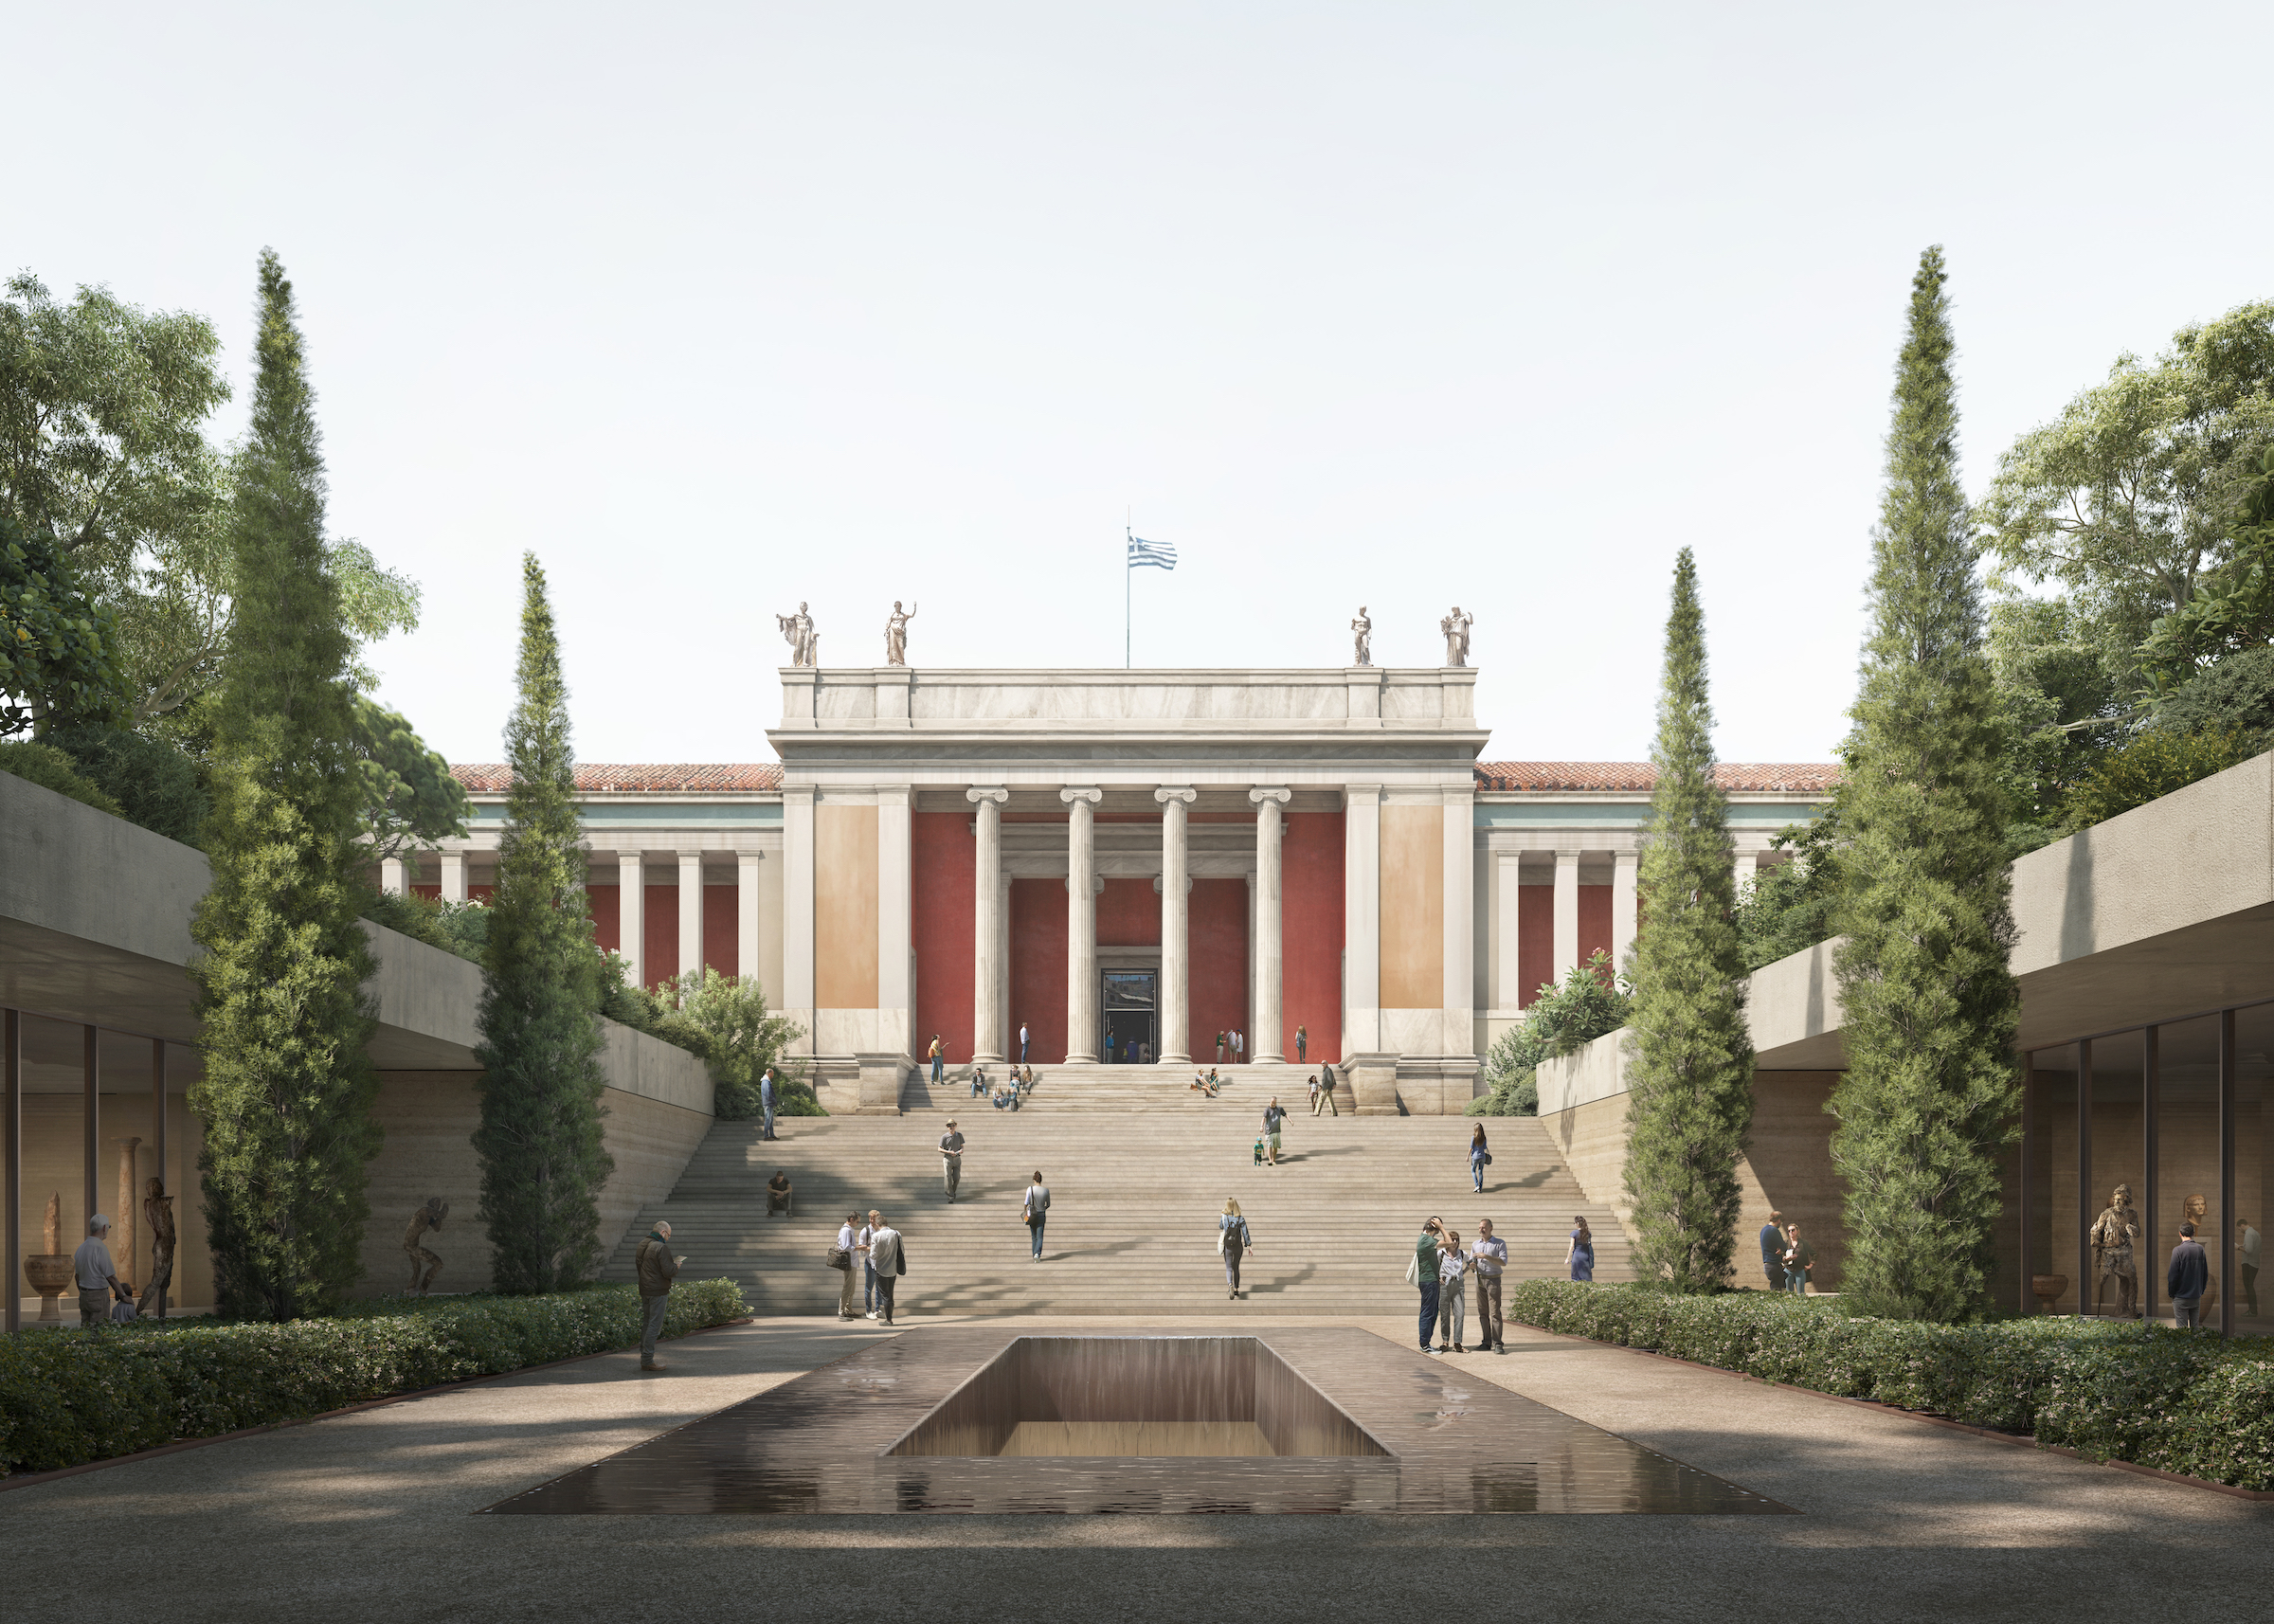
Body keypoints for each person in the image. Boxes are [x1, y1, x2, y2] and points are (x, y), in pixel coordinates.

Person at [635, 1219, 681, 1371]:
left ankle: (645, 1357)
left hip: (645, 1289)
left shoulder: (642, 1244)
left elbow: (640, 1267)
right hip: (658, 1291)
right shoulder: (661, 1247)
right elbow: (668, 1271)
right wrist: (676, 1266)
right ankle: (647, 1360)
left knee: (647, 1323)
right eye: (668, 1235)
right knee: (654, 1325)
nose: (668, 1238)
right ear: (662, 1232)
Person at [73, 1215, 130, 1329]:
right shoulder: (100, 1248)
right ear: (104, 1228)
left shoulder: (81, 1247)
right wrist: (123, 1296)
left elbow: (77, 1276)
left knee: (85, 1330)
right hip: (98, 1296)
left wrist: (85, 1292)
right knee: (98, 1332)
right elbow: (111, 1277)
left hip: (84, 1295)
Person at [1471, 1217, 1507, 1353]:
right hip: (1479, 1279)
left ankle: (1498, 1343)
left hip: (1493, 1280)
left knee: (1495, 1313)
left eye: (1484, 1227)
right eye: (1480, 1227)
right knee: (1482, 1312)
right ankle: (1486, 1342)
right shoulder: (1475, 1244)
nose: (1481, 1229)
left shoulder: (1499, 1243)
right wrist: (1472, 1265)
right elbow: (1472, 1261)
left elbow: (1503, 1262)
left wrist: (1486, 1256)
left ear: (1491, 1228)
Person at [2169, 1221, 2210, 1329]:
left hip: (2180, 1296)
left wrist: (2171, 1293)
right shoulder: (2200, 1249)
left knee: (2181, 1331)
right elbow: (2205, 1273)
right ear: (2193, 1233)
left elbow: (2173, 1276)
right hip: (2195, 1295)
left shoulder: (2177, 1251)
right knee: (2195, 1328)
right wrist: (2201, 1290)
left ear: (2180, 1234)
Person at [1435, 1228, 1469, 1352]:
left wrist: (1463, 1273)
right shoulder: (1441, 1253)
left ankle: (1457, 1343)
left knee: (1459, 1314)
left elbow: (1471, 1263)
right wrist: (1438, 1277)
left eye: (1457, 1240)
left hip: (1458, 1285)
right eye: (1452, 1239)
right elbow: (1435, 1266)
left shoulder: (1461, 1253)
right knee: (1444, 1314)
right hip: (1445, 1284)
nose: (1455, 1242)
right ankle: (1445, 1341)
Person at [868, 1213, 903, 1325]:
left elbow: (873, 1255)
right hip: (893, 1268)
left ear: (877, 1224)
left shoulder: (876, 1236)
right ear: (887, 1223)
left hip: (881, 1268)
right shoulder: (896, 1234)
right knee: (890, 1294)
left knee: (885, 1295)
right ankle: (889, 1317)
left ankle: (888, 1320)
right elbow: (902, 1250)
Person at [1413, 1218, 1443, 1353]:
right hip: (1429, 1281)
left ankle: (1426, 1342)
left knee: (1431, 1311)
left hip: (1431, 1280)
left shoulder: (1424, 1239)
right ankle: (1424, 1344)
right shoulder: (1427, 1240)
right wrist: (1441, 1227)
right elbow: (1448, 1242)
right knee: (1428, 1312)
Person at [1218, 1198, 1253, 1300]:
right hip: (1238, 1246)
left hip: (1228, 1245)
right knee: (1236, 1267)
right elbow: (1245, 1233)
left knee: (1228, 1267)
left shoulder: (1224, 1217)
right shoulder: (1240, 1218)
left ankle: (1230, 1285)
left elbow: (1220, 1226)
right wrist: (1249, 1245)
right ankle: (1237, 1289)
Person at [835, 1211, 862, 1320]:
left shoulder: (849, 1230)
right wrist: (860, 1248)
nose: (858, 1223)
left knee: (851, 1288)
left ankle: (848, 1309)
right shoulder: (846, 1230)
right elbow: (846, 1247)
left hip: (852, 1262)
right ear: (851, 1219)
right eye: (857, 1221)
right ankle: (842, 1311)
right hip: (849, 1262)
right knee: (848, 1287)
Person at [1022, 1172, 1051, 1261]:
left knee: (1034, 1236)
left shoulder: (1030, 1189)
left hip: (1032, 1215)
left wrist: (1025, 1211)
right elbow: (1048, 1204)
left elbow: (1026, 1203)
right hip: (1042, 1214)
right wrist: (1043, 1208)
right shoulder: (1046, 1190)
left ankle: (1034, 1254)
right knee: (1040, 1236)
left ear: (1034, 1180)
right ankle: (1037, 1254)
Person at [859, 1210, 881, 1317]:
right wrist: (873, 1249)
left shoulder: (881, 1230)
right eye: (870, 1218)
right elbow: (861, 1246)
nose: (872, 1221)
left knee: (880, 1286)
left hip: (880, 1262)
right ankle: (868, 1310)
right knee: (869, 1287)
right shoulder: (865, 1230)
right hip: (870, 1262)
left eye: (874, 1218)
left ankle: (878, 1309)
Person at [1758, 1209, 1786, 1291]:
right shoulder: (1774, 1231)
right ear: (1779, 1220)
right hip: (1774, 1265)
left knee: (1776, 1288)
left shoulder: (1764, 1229)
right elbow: (1784, 1246)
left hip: (1767, 1265)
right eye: (1781, 1222)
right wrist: (1782, 1249)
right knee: (1777, 1291)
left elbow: (1770, 1245)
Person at [1783, 1223, 1814, 1296]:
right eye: (1789, 1231)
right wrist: (1787, 1258)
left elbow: (1814, 1253)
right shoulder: (1785, 1243)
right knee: (1789, 1294)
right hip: (1788, 1270)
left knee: (1801, 1294)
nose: (1791, 1232)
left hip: (1800, 1270)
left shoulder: (1803, 1243)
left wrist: (1810, 1265)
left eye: (1793, 1230)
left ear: (1797, 1231)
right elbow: (1781, 1256)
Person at [940, 1119, 966, 1201]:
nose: (952, 1127)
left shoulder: (959, 1135)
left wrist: (961, 1150)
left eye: (953, 1125)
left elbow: (962, 1146)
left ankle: (952, 1192)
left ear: (956, 1126)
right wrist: (948, 1152)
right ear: (947, 1127)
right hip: (948, 1159)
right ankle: (950, 1196)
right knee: (947, 1177)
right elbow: (939, 1148)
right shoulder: (944, 1137)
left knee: (957, 1178)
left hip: (957, 1159)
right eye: (950, 1126)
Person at [2240, 1218, 2261, 1318]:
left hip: (2249, 1264)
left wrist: (2238, 1247)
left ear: (2242, 1225)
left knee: (2249, 1287)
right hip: (2255, 1263)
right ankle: (2253, 1310)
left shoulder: (2248, 1234)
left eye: (2239, 1229)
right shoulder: (2256, 1233)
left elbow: (2249, 1250)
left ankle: (2252, 1310)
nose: (2240, 1231)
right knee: (2250, 1286)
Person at [1566, 1216, 1595, 1283]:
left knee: (1576, 1277)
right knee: (1586, 1277)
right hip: (1585, 1256)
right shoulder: (1588, 1233)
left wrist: (1567, 1258)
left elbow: (1571, 1246)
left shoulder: (1574, 1233)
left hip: (1577, 1256)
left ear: (1577, 1223)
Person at [1262, 1096, 1286, 1165]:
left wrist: (1290, 1120)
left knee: (1275, 1147)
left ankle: (1273, 1160)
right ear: (1270, 1102)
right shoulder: (1267, 1109)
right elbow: (1264, 1118)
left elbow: (1285, 1114)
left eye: (1274, 1103)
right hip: (1269, 1131)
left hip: (1277, 1131)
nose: (1273, 1104)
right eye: (1272, 1102)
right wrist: (1261, 1126)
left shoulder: (1279, 1108)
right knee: (1270, 1146)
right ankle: (1270, 1160)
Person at [759, 1067, 777, 1142]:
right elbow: (768, 1093)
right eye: (772, 1073)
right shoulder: (766, 1082)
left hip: (768, 1103)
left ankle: (771, 1135)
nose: (773, 1075)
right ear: (769, 1073)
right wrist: (773, 1100)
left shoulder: (766, 1081)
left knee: (770, 1119)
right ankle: (766, 1135)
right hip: (768, 1103)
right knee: (768, 1119)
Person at [1470, 1124, 1489, 1195]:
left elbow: (1471, 1147)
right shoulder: (1484, 1137)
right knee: (1480, 1172)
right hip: (1482, 1157)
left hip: (1475, 1157)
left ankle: (1477, 1186)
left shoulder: (1473, 1137)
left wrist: (1467, 1156)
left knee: (1473, 1170)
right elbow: (1484, 1147)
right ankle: (1480, 1188)